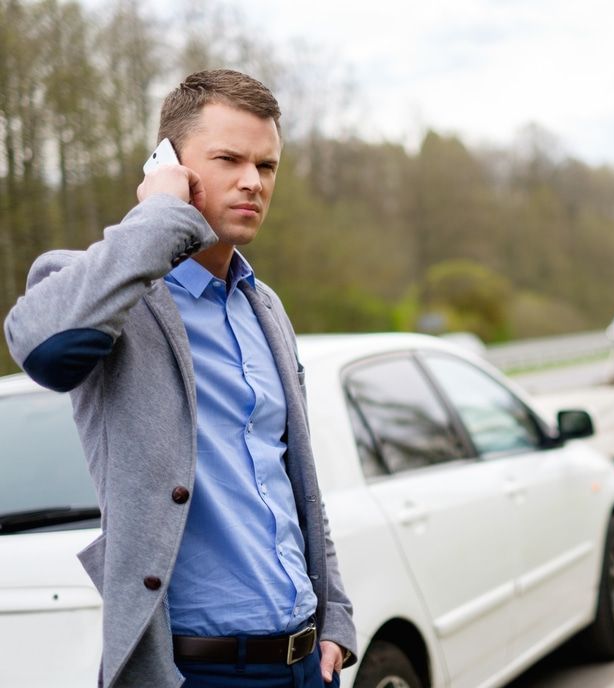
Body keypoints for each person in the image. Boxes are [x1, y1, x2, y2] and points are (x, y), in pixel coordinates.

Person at [3, 69, 356, 688]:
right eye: (228, 159)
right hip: (194, 671)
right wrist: (161, 214)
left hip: (304, 664)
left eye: (266, 166)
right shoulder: (109, 292)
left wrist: (337, 619)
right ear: (167, 162)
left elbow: (293, 479)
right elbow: (41, 348)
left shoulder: (264, 306)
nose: (252, 181)